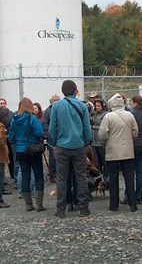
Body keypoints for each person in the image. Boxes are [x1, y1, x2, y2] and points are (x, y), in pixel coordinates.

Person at [48, 80, 93, 218]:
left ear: (63, 91)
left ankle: (61, 209)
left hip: (62, 146)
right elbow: (87, 128)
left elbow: (52, 128)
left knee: (62, 178)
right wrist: (85, 143)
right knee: (80, 177)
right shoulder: (82, 106)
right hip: (78, 146)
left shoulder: (56, 106)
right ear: (75, 90)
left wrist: (54, 144)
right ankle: (83, 207)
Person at [98, 93, 139, 212]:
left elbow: (102, 134)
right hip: (127, 151)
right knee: (129, 178)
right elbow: (135, 132)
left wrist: (107, 141)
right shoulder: (130, 115)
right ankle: (133, 204)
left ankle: (114, 205)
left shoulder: (108, 117)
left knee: (113, 178)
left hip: (112, 152)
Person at [9, 97, 46, 212]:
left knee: (25, 175)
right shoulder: (32, 118)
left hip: (20, 150)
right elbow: (40, 132)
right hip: (33, 149)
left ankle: (28, 204)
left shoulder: (14, 119)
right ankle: (39, 204)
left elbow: (11, 137)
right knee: (38, 175)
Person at [127, 95, 142, 205]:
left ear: (136, 103)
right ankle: (139, 196)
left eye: (132, 103)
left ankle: (129, 196)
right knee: (141, 172)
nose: (131, 105)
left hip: (134, 144)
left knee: (130, 172)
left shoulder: (131, 115)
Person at [42, 94, 61, 179]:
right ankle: (53, 175)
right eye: (54, 100)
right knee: (52, 157)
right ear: (51, 101)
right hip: (52, 137)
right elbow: (44, 123)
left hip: (62, 137)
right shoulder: (48, 111)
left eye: (58, 100)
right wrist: (51, 130)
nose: (56, 102)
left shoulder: (62, 110)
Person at [90, 99, 108, 178]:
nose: (97, 108)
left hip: (101, 141)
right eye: (96, 106)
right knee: (97, 161)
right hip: (94, 141)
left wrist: (93, 127)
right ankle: (99, 176)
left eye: (98, 106)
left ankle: (106, 176)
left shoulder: (106, 115)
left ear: (102, 106)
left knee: (104, 160)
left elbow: (104, 127)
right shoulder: (94, 115)